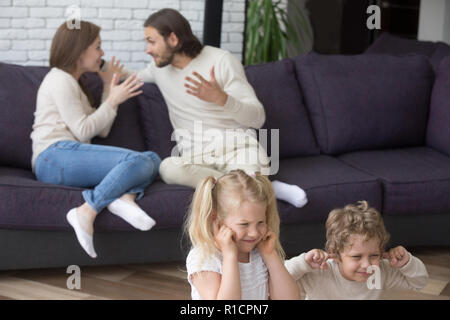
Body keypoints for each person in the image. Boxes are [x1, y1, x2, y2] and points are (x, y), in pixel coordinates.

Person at [107, 8, 307, 208]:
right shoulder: (159, 69)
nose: (147, 50)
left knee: (248, 187)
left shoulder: (221, 60)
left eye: (151, 41)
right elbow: (130, 75)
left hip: (237, 148)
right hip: (196, 157)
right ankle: (264, 188)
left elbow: (258, 118)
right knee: (168, 168)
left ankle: (254, 184)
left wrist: (221, 98)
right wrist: (97, 64)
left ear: (173, 39)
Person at [30, 21, 161, 258]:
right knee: (138, 160)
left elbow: (100, 131)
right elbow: (83, 131)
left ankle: (123, 196)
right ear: (80, 50)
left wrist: (107, 90)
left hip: (66, 156)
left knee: (152, 159)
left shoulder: (75, 84)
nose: (102, 54)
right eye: (98, 47)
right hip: (53, 156)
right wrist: (113, 100)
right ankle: (87, 209)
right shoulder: (59, 79)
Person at [184, 169, 300, 300]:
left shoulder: (259, 252)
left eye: (260, 222)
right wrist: (230, 256)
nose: (254, 233)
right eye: (244, 224)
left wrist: (270, 255)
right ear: (215, 219)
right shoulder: (204, 258)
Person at [285, 201, 429, 299]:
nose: (367, 265)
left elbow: (419, 282)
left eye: (374, 255)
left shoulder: (380, 272)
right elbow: (278, 277)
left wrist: (406, 262)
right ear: (335, 254)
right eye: (356, 256)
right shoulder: (318, 272)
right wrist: (303, 263)